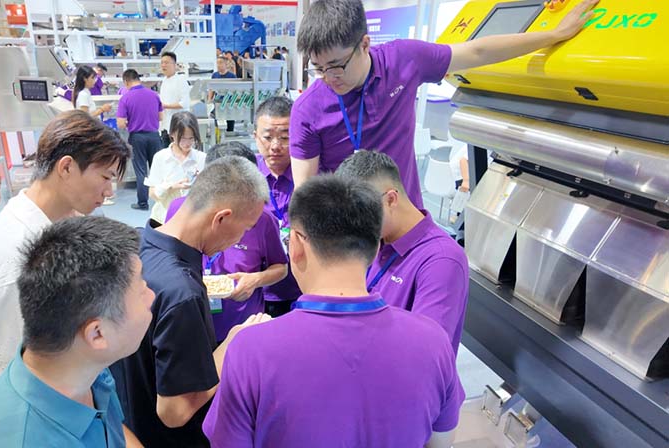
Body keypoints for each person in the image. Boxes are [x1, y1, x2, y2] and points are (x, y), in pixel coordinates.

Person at [203, 175, 465, 448]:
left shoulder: (250, 349)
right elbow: (441, 441)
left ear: (296, 245)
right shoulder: (433, 342)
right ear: (376, 246)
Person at [289, 0, 600, 210]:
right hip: (350, 236)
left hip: (407, 222)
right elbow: (306, 194)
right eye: (318, 68)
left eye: (336, 66)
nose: (328, 77)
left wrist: (555, 34)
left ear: (364, 44)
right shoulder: (308, 110)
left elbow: (477, 52)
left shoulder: (403, 61)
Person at [110, 156, 272, 447]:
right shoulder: (182, 294)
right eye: (245, 229)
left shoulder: (134, 244)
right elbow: (174, 411)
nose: (240, 238)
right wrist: (234, 342)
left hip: (126, 424)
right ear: (221, 218)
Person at [0, 217, 148, 447]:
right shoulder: (22, 440)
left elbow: (111, 431)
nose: (152, 296)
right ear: (97, 334)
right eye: (141, 290)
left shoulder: (82, 367)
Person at [0, 110, 129, 385]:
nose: (109, 192)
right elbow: (3, 377)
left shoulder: (61, 218)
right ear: (66, 168)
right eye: (106, 177)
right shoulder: (18, 257)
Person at [337, 150, 469, 354]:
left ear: (390, 199)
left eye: (359, 213)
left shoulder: (442, 260)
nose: (354, 225)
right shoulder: (375, 240)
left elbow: (423, 353)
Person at [164, 142, 288, 342]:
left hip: (241, 326)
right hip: (191, 322)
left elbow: (281, 267)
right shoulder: (181, 209)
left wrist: (255, 279)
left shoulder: (263, 220)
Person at [253, 96, 302, 316]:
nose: (275, 146)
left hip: (301, 286)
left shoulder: (310, 174)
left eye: (285, 138)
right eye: (267, 137)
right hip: (254, 288)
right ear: (255, 137)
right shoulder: (246, 175)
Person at [145, 111, 206, 224]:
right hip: (163, 219)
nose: (187, 143)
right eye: (182, 138)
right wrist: (171, 187)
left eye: (191, 138)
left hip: (192, 219)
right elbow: (153, 194)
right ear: (172, 134)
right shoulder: (161, 157)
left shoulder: (201, 158)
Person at [117, 69, 164, 211]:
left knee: (141, 170)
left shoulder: (125, 98)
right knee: (158, 169)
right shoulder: (154, 95)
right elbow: (160, 117)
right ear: (138, 79)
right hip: (154, 136)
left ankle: (143, 203)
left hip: (137, 137)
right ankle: (163, 201)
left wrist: (131, 122)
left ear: (126, 82)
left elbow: (120, 124)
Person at [159, 51, 191, 144]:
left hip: (179, 126)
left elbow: (185, 103)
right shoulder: (164, 81)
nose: (163, 65)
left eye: (166, 62)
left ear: (174, 65)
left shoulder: (180, 80)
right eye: (162, 63)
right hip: (165, 126)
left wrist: (165, 106)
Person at [209, 57, 237, 132]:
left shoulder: (232, 76)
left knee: (229, 124)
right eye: (217, 63)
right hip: (218, 103)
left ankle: (230, 135)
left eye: (221, 63)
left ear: (226, 64)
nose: (218, 65)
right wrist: (209, 99)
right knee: (217, 124)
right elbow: (211, 88)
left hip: (229, 104)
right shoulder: (214, 75)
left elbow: (236, 91)